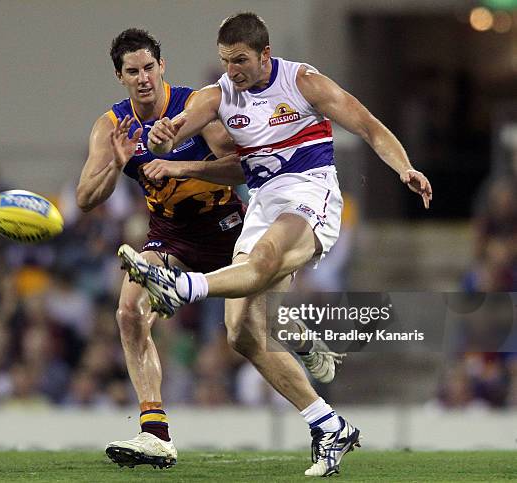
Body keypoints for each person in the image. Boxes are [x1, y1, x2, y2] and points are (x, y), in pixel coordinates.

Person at [117, 13, 433, 477]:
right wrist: (163, 136)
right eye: (226, 61)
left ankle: (182, 288)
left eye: (241, 60)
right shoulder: (220, 93)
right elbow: (179, 126)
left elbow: (368, 126)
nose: (233, 71)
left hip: (310, 192)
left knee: (263, 262)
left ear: (264, 55)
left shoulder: (303, 82)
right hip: (264, 202)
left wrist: (403, 167)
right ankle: (328, 423)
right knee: (242, 332)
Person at [77, 28, 249, 470]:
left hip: (228, 231)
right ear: (119, 76)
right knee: (129, 310)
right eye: (132, 71)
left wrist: (178, 163)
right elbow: (85, 198)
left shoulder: (195, 107)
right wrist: (117, 165)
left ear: (162, 67)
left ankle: (303, 342)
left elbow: (240, 169)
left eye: (149, 68)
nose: (143, 78)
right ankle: (155, 432)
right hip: (170, 236)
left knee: (249, 335)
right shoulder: (112, 126)